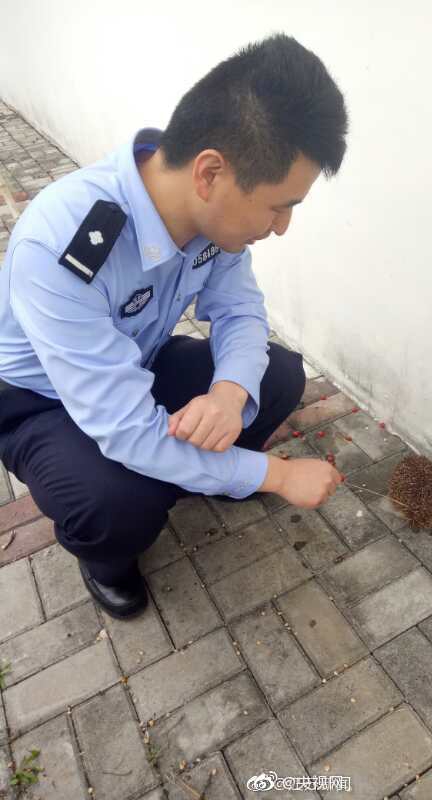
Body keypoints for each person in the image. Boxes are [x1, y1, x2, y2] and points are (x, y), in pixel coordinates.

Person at [0, 33, 348, 620]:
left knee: (278, 375)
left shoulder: (212, 217)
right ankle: (106, 560)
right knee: (116, 500)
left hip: (136, 359)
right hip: (40, 400)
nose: (282, 226)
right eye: (279, 205)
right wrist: (277, 475)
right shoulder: (63, 245)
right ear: (210, 173)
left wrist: (227, 393)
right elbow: (128, 432)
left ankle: (211, 473)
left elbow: (241, 312)